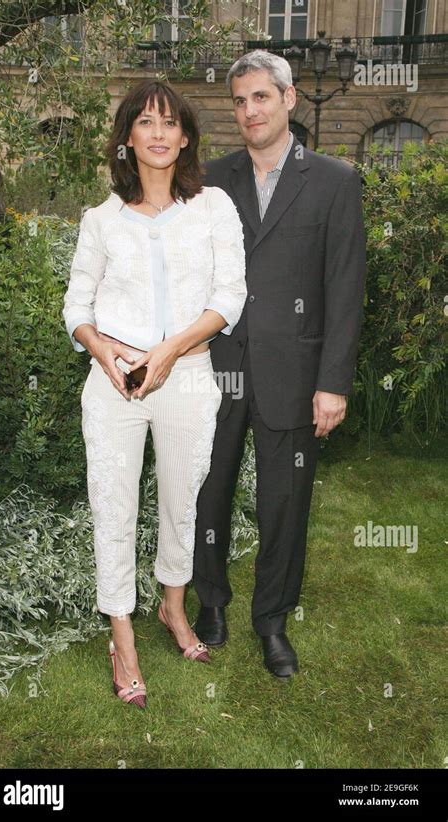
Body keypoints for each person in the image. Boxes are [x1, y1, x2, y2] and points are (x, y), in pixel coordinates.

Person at [62, 80, 246, 707]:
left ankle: (173, 607)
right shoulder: (101, 220)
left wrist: (169, 350)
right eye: (146, 122)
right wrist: (103, 349)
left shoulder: (214, 207)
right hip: (115, 385)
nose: (160, 133)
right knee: (112, 506)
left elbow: (230, 297)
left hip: (189, 377)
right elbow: (77, 307)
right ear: (128, 138)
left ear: (187, 135)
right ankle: (122, 637)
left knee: (181, 501)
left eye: (171, 122)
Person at [193, 50, 367, 678]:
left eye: (261, 97)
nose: (249, 111)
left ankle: (272, 621)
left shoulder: (334, 180)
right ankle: (210, 600)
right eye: (239, 101)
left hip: (295, 375)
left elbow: (345, 289)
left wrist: (333, 384)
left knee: (284, 504)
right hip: (215, 369)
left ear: (289, 99)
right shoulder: (210, 179)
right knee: (205, 494)